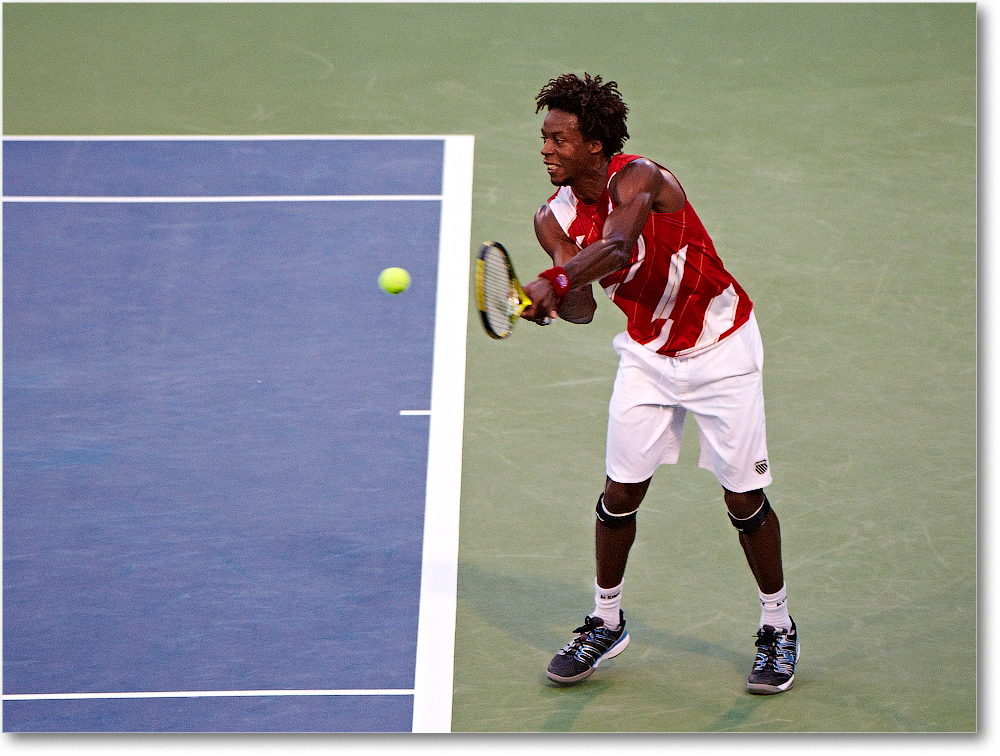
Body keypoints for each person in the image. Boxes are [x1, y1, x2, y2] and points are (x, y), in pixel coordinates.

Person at [519, 73, 798, 695]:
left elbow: (617, 246)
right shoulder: (552, 217)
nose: (546, 150)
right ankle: (606, 619)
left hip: (721, 348)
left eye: (559, 139)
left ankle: (777, 625)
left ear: (594, 144)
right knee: (619, 493)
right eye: (543, 138)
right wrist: (553, 301)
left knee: (742, 499)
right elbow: (586, 306)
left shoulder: (641, 178)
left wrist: (556, 283)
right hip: (648, 356)